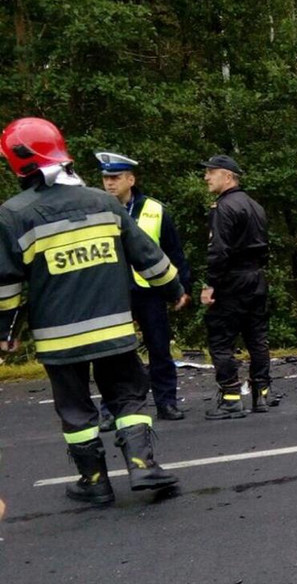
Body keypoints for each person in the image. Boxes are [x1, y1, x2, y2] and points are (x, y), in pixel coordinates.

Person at [0, 117, 185, 504]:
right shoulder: (104, 203)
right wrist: (174, 290)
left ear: (16, 163)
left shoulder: (13, 215)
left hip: (58, 338)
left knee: (75, 408)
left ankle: (95, 481)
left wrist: (6, 331)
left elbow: (7, 283)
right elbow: (148, 256)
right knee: (129, 397)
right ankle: (142, 465)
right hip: (114, 330)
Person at [95, 152, 191, 421]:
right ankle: (111, 407)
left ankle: (166, 402)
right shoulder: (96, 210)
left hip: (150, 290)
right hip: (112, 292)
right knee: (113, 352)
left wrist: (181, 287)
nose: (109, 183)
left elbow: (173, 252)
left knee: (159, 347)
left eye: (114, 178)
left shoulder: (155, 210)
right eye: (105, 178)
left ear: (131, 179)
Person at [198, 154, 272, 419]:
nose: (206, 177)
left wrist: (210, 285)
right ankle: (261, 395)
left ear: (227, 176)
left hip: (232, 281)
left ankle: (231, 397)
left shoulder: (223, 208)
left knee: (220, 340)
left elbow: (219, 251)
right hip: (256, 279)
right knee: (257, 338)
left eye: (211, 172)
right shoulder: (255, 206)